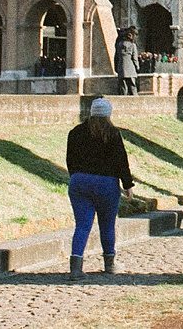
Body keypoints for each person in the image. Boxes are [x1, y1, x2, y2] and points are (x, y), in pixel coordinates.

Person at [65, 97, 135, 279]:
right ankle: (109, 263)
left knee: (82, 225)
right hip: (107, 184)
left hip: (80, 181)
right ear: (108, 114)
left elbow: (70, 159)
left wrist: (76, 176)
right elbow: (121, 161)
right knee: (107, 225)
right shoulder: (112, 134)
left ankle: (75, 267)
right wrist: (127, 185)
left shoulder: (75, 132)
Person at [114, 28, 138, 96]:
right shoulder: (132, 45)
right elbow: (135, 58)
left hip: (121, 67)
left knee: (123, 88)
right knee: (132, 86)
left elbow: (116, 57)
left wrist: (116, 67)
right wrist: (137, 67)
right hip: (130, 68)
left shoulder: (119, 45)